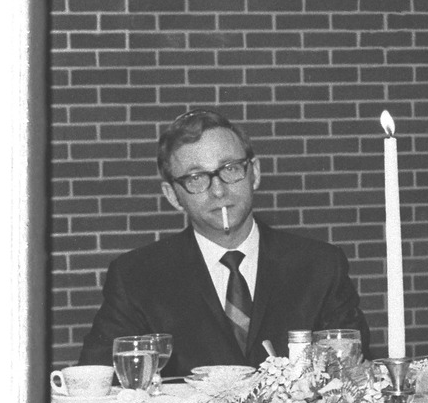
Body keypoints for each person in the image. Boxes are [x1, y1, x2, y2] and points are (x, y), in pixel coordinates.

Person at [81, 108, 369, 377]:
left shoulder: (319, 266)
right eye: (196, 178)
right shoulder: (137, 276)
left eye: (230, 168)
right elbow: (97, 381)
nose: (218, 191)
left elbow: (352, 378)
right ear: (172, 195)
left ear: (254, 173)